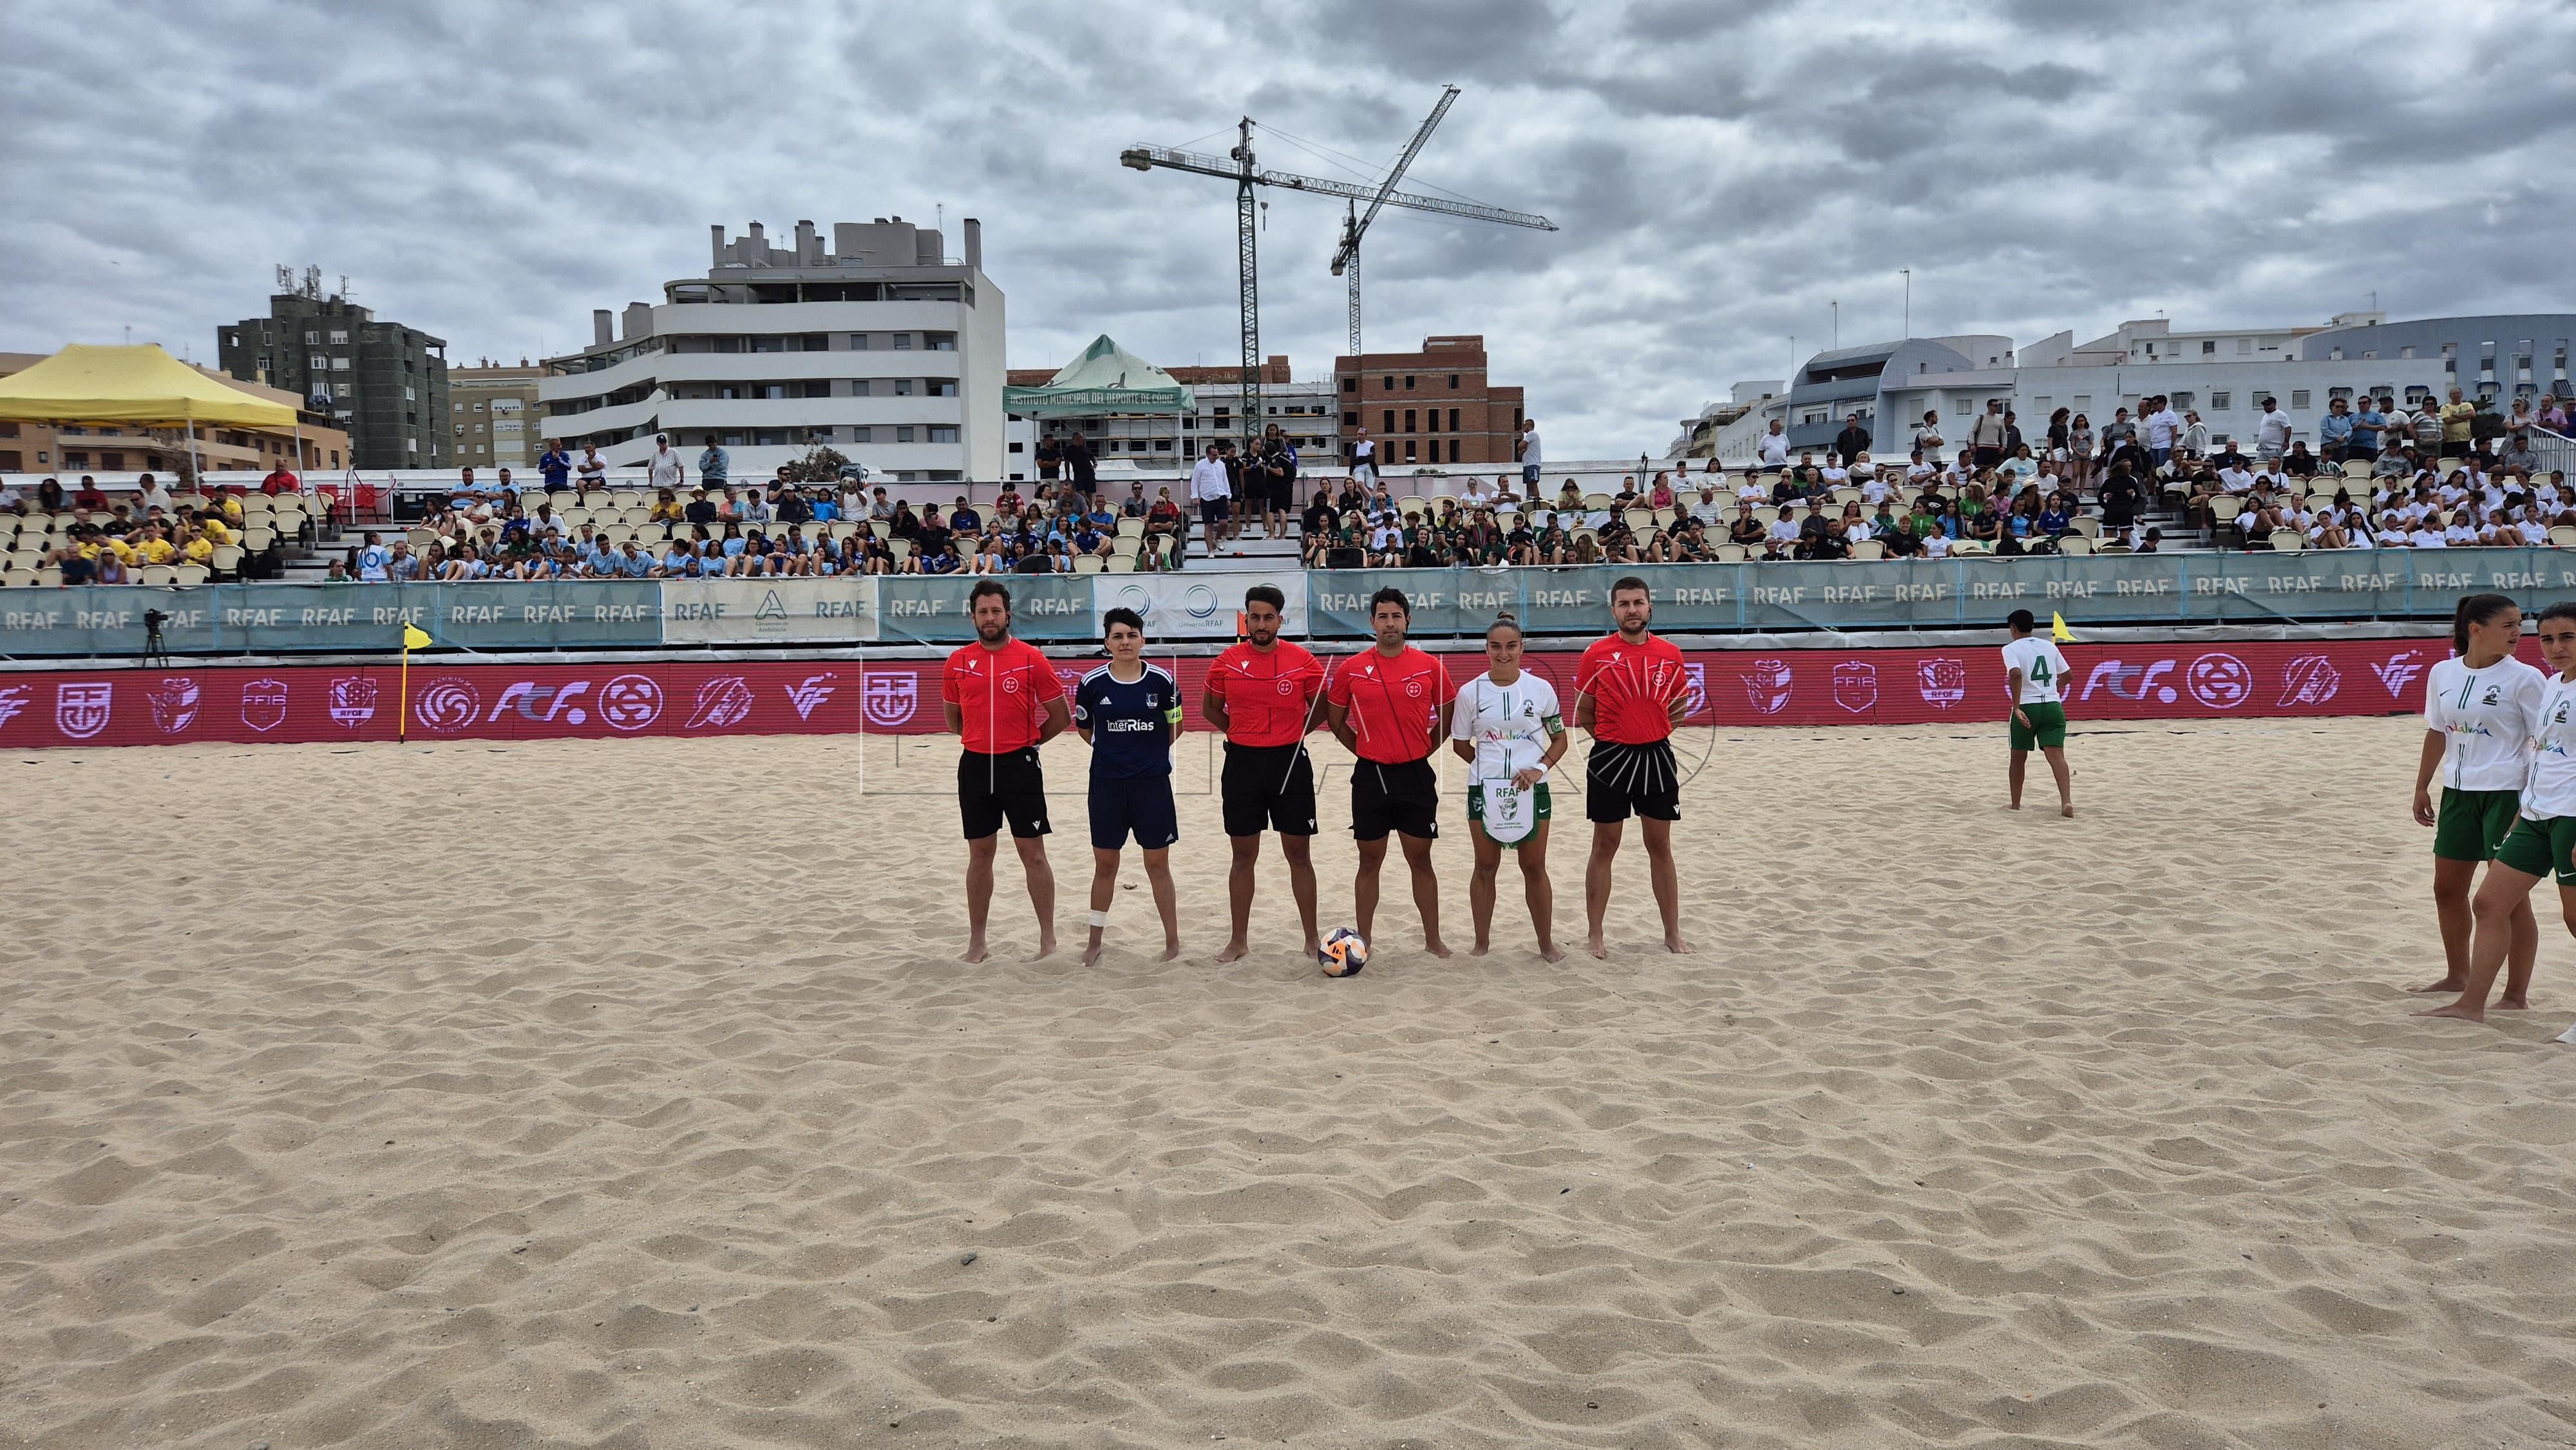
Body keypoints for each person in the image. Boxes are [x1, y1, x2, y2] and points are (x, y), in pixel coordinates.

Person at [2420, 602, 2576, 1023]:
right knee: (2472, 898)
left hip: (2529, 801)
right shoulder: (2552, 684)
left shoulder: (2527, 678)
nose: (2554, 647)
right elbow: (2543, 748)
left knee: (2548, 912)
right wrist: (2422, 785)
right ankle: (2466, 994)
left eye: (2566, 637)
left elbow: (2539, 744)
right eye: (2547, 638)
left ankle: (2514, 993)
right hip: (2509, 805)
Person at [1323, 587, 1454, 971]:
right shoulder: (1352, 668)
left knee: (1421, 860)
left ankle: (1433, 940)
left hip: (1415, 774)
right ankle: (1364, 941)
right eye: (1383, 616)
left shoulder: (1430, 666)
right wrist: (1365, 750)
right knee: (1369, 861)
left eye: (1397, 616)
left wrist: (1421, 750)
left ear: (1408, 621)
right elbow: (1335, 720)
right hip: (1370, 775)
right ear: (1372, 622)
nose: (1390, 623)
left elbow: (1447, 720)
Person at [943, 579, 1070, 963]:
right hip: (976, 765)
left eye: (996, 611)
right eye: (983, 612)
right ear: (973, 617)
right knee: (980, 855)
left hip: (1020, 766)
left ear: (1008, 615)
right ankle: (977, 942)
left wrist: (1028, 741)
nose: (990, 618)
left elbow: (1061, 716)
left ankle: (1048, 940)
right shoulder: (957, 662)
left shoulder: (1032, 658)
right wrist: (985, 739)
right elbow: (954, 721)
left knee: (1033, 854)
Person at [1204, 585, 1326, 963]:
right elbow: (1210, 709)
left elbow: (1321, 708)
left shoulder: (1303, 660)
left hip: (1290, 764)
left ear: (1280, 620)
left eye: (1268, 617)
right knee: (1243, 856)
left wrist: (1292, 734)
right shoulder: (1226, 661)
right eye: (1254, 617)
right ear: (1246, 620)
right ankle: (1238, 940)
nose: (1261, 624)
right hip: (1242, 764)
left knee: (1299, 855)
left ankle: (1311, 939)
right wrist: (1243, 732)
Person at [1575, 578, 1692, 957]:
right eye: (1624, 604)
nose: (1632, 610)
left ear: (1649, 607)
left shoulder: (1670, 654)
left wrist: (1652, 732)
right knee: (1605, 845)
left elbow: (1679, 706)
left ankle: (1672, 933)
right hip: (1609, 757)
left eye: (1638, 603)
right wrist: (1613, 738)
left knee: (1660, 845)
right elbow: (1585, 711)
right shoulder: (1596, 654)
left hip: (1656, 756)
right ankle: (1595, 934)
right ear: (1613, 611)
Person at [1451, 612, 1569, 961]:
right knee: (1485, 866)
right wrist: (1488, 774)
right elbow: (1460, 745)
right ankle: (1481, 944)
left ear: (1522, 648)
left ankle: (1546, 944)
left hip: (1532, 791)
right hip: (1483, 791)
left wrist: (1538, 769)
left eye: (1511, 646)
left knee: (1534, 867)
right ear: (1486, 649)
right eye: (1496, 647)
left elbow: (1560, 740)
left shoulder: (1541, 689)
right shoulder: (1469, 692)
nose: (1503, 654)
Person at [1074, 608, 1182, 967]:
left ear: (1142, 640)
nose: (1125, 642)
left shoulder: (1163, 682)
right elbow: (1086, 731)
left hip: (1152, 786)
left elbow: (1176, 727)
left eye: (1132, 635)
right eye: (1118, 636)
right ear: (1107, 642)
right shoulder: (1091, 683)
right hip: (1107, 785)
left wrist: (1147, 757)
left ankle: (1172, 941)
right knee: (1105, 865)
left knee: (1157, 864)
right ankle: (1094, 942)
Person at [2001, 608, 2073, 816]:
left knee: (2018, 757)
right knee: (2057, 757)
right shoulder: (2049, 646)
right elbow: (2069, 675)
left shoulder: (2010, 649)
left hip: (2028, 706)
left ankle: (2016, 804)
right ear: (2032, 626)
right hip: (2052, 706)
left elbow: (2016, 674)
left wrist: (2016, 707)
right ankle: (2066, 802)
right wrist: (2055, 687)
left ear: (2013, 629)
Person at [1189, 443, 1232, 560]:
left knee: (1224, 523)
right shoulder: (1200, 465)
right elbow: (1195, 482)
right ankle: (1211, 551)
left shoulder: (1221, 465)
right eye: (1214, 455)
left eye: (1217, 454)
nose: (1216, 457)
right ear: (1208, 454)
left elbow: (1225, 480)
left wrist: (1228, 496)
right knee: (1208, 526)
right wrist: (1195, 497)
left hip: (1221, 496)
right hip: (1207, 498)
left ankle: (1217, 538)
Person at [1517, 418, 1542, 491]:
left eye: (1525, 425)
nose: (1523, 427)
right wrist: (1522, 452)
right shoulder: (1529, 437)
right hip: (1527, 465)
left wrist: (1521, 448)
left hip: (1533, 463)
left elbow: (1520, 446)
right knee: (1529, 485)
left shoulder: (1532, 434)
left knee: (1533, 483)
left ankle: (1536, 498)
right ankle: (1530, 497)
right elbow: (1520, 452)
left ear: (1529, 425)